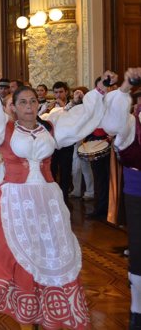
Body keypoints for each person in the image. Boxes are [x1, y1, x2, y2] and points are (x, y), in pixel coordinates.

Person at [0, 54, 111, 329]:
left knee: (49, 250)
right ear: (14, 106)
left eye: (33, 101)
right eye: (22, 101)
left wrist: (99, 91)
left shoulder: (49, 128)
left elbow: (81, 119)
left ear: (38, 104)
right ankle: (24, 314)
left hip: (47, 201)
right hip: (14, 200)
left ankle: (46, 310)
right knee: (13, 255)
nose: (28, 106)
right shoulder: (5, 129)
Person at [100, 67, 141, 329]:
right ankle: (137, 307)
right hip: (137, 194)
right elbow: (111, 124)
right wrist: (124, 88)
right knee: (138, 250)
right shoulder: (129, 124)